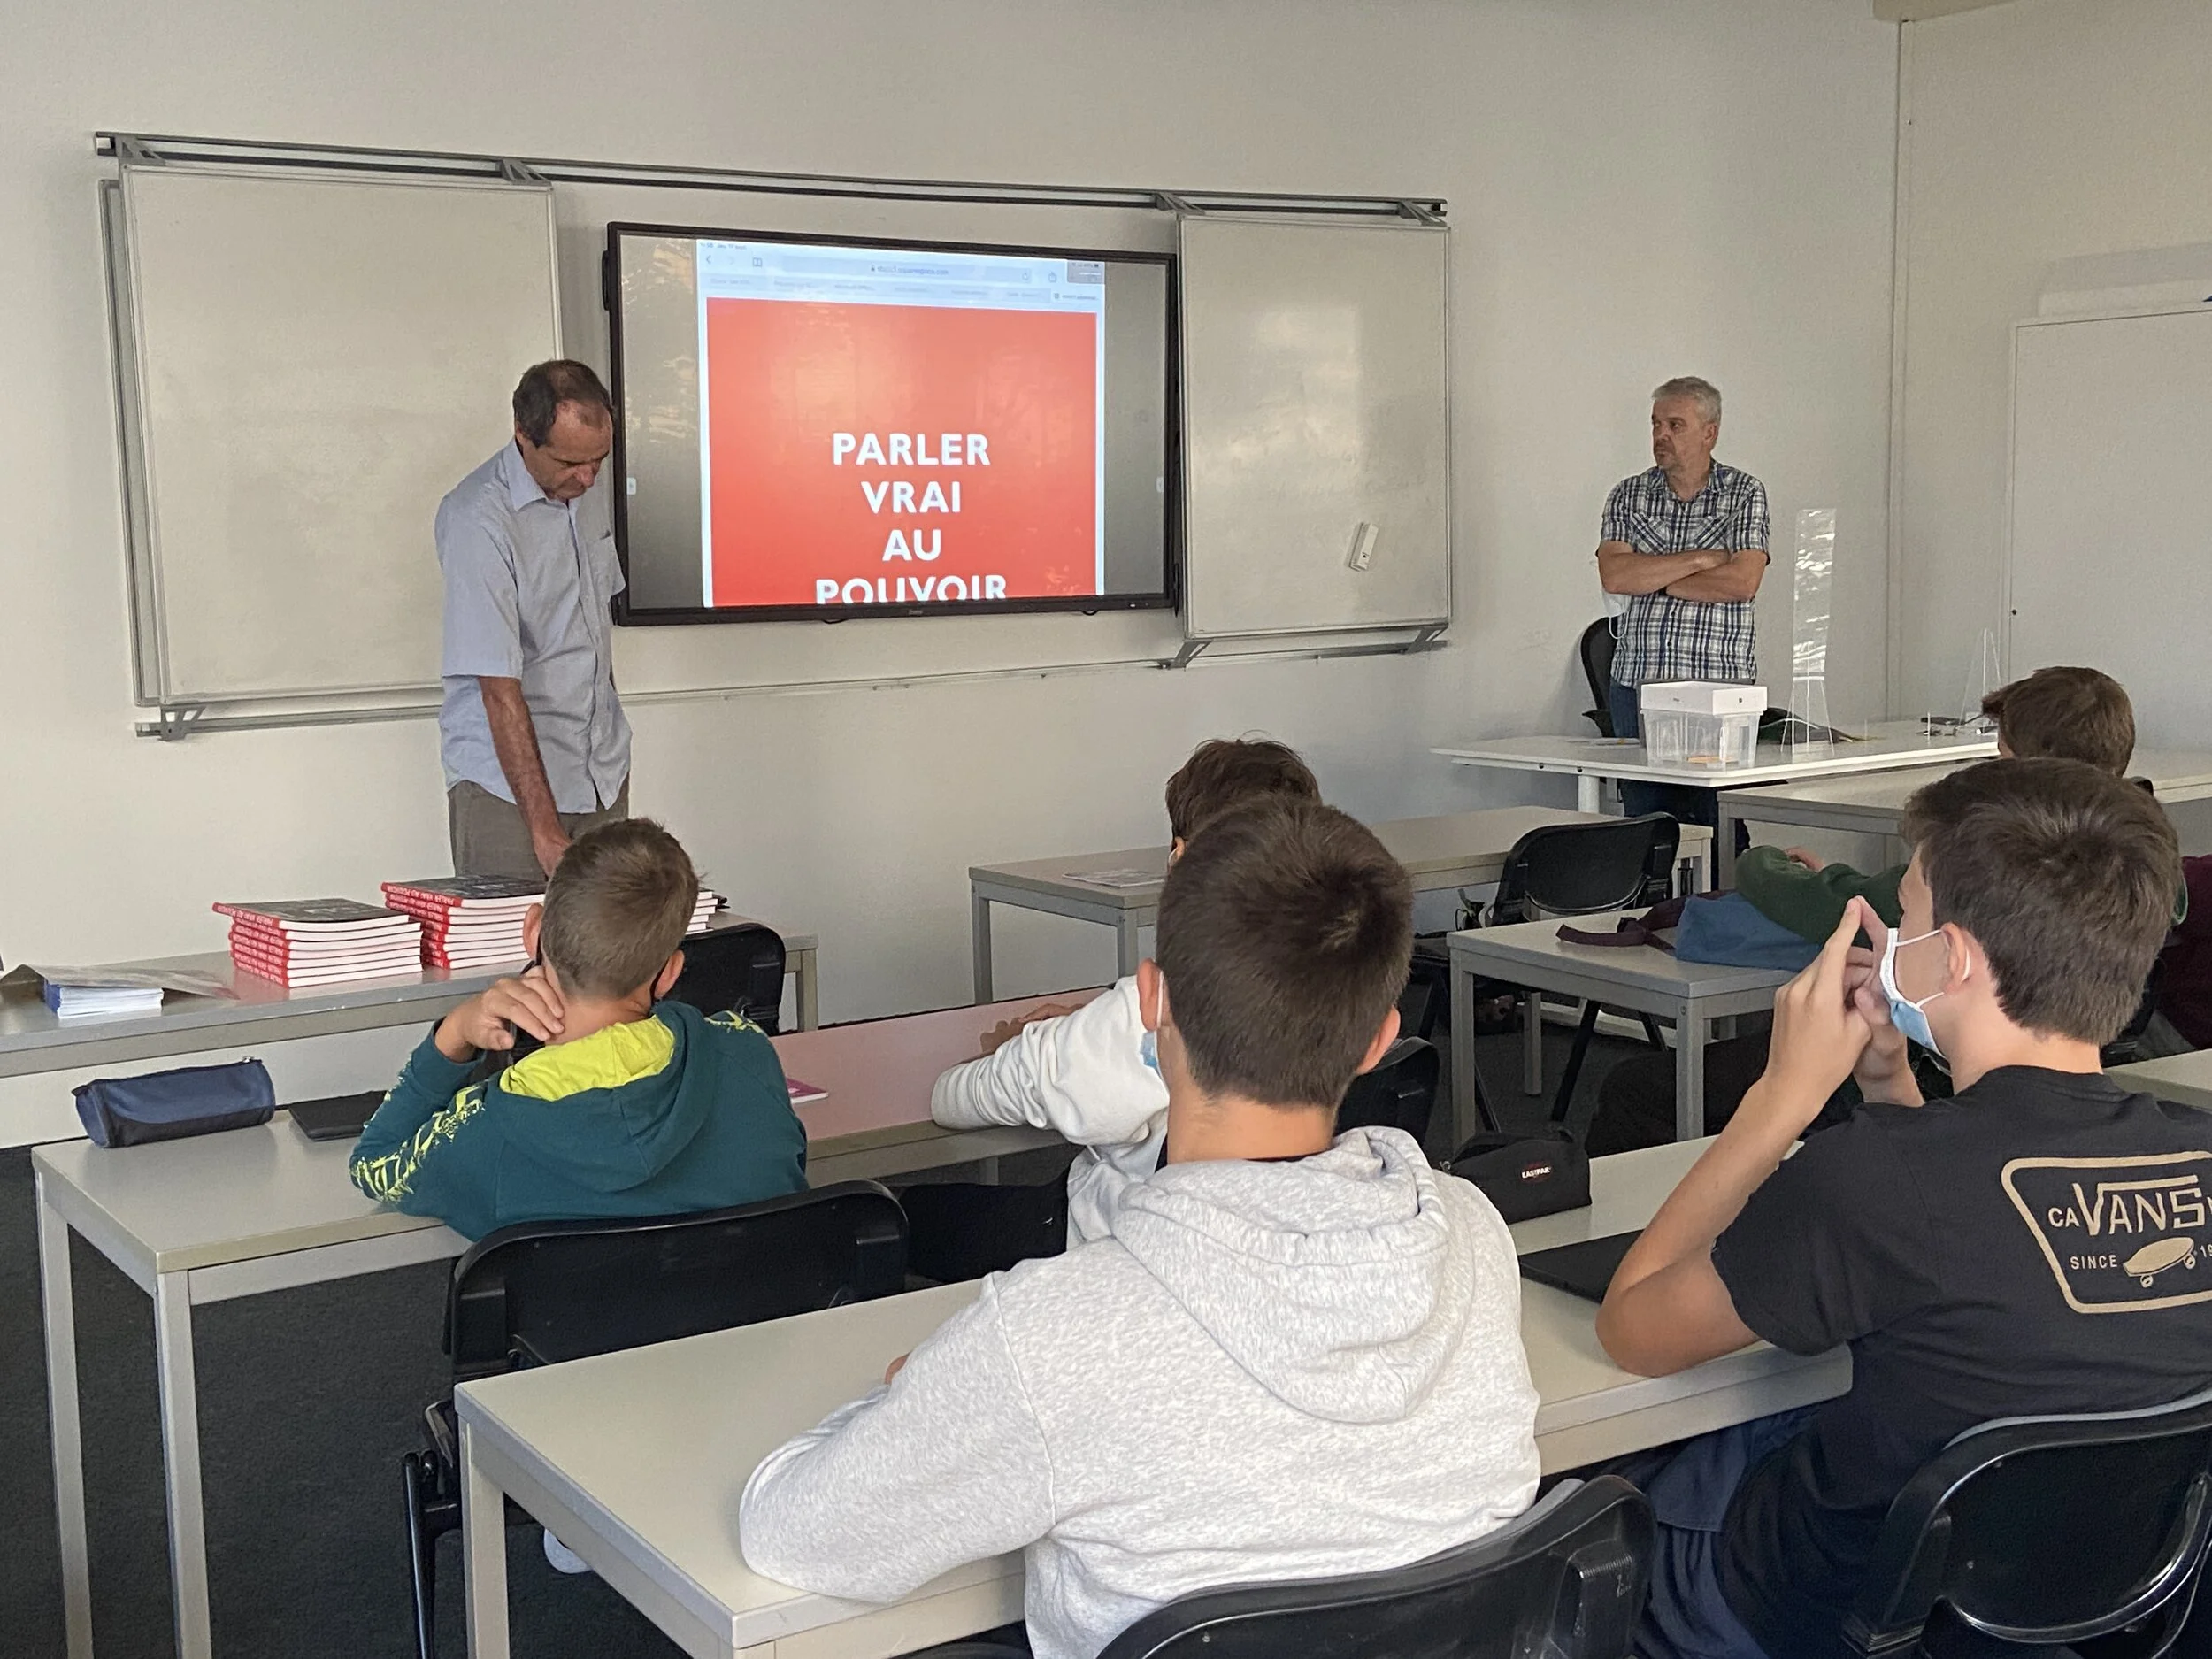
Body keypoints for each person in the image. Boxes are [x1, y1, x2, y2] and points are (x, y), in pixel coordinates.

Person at [740, 801, 1540, 1659]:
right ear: (1380, 1040)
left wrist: (921, 1392)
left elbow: (788, 1532)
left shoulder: (1050, 1337)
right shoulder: (1470, 1235)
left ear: (1152, 1001)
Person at [1596, 758, 2212, 1658]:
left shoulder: (1870, 1181)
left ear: (1953, 957)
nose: (1893, 940)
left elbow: (1633, 1331)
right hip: (2080, 1601)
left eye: (1910, 915)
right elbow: (1972, 1225)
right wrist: (1887, 1083)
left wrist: (1780, 1099)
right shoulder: (2193, 1148)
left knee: (1613, 1485)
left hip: (1823, 1605)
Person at [1584, 664, 2141, 1155]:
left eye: (2001, 754)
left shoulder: (1980, 864)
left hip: (1928, 1074)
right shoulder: (2136, 860)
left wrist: (1765, 862)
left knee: (1638, 1088)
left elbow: (1825, 900)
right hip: (2049, 1080)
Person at [923, 737, 1322, 1252]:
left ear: (1181, 859)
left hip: (1109, 1250)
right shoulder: (1333, 1001)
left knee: (905, 1216)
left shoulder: (1145, 1018)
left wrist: (1028, 1043)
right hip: (1262, 1239)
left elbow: (953, 1099)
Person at [349, 819, 804, 1241]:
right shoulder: (747, 1054)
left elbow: (373, 1163)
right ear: (670, 973)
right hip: (746, 1326)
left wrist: (454, 1034)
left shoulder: (486, 1128)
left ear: (533, 933)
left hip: (576, 1329)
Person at [438, 359, 632, 881]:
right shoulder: (477, 518)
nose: (589, 478)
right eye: (572, 462)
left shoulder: (583, 493)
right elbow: (497, 688)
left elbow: (594, 640)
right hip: (510, 796)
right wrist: (544, 830)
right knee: (515, 958)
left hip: (600, 775)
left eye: (599, 460)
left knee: (609, 957)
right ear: (523, 435)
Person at [1595, 377, 1770, 825]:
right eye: (1656, 425)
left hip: (1719, 690)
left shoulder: (1743, 493)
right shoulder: (1628, 495)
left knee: (1716, 825)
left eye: (1676, 425)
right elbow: (1616, 575)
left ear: (1710, 432)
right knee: (1646, 827)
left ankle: (1713, 899)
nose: (1661, 436)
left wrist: (1656, 577)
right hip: (1639, 687)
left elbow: (1742, 582)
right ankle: (1659, 900)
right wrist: (1700, 560)